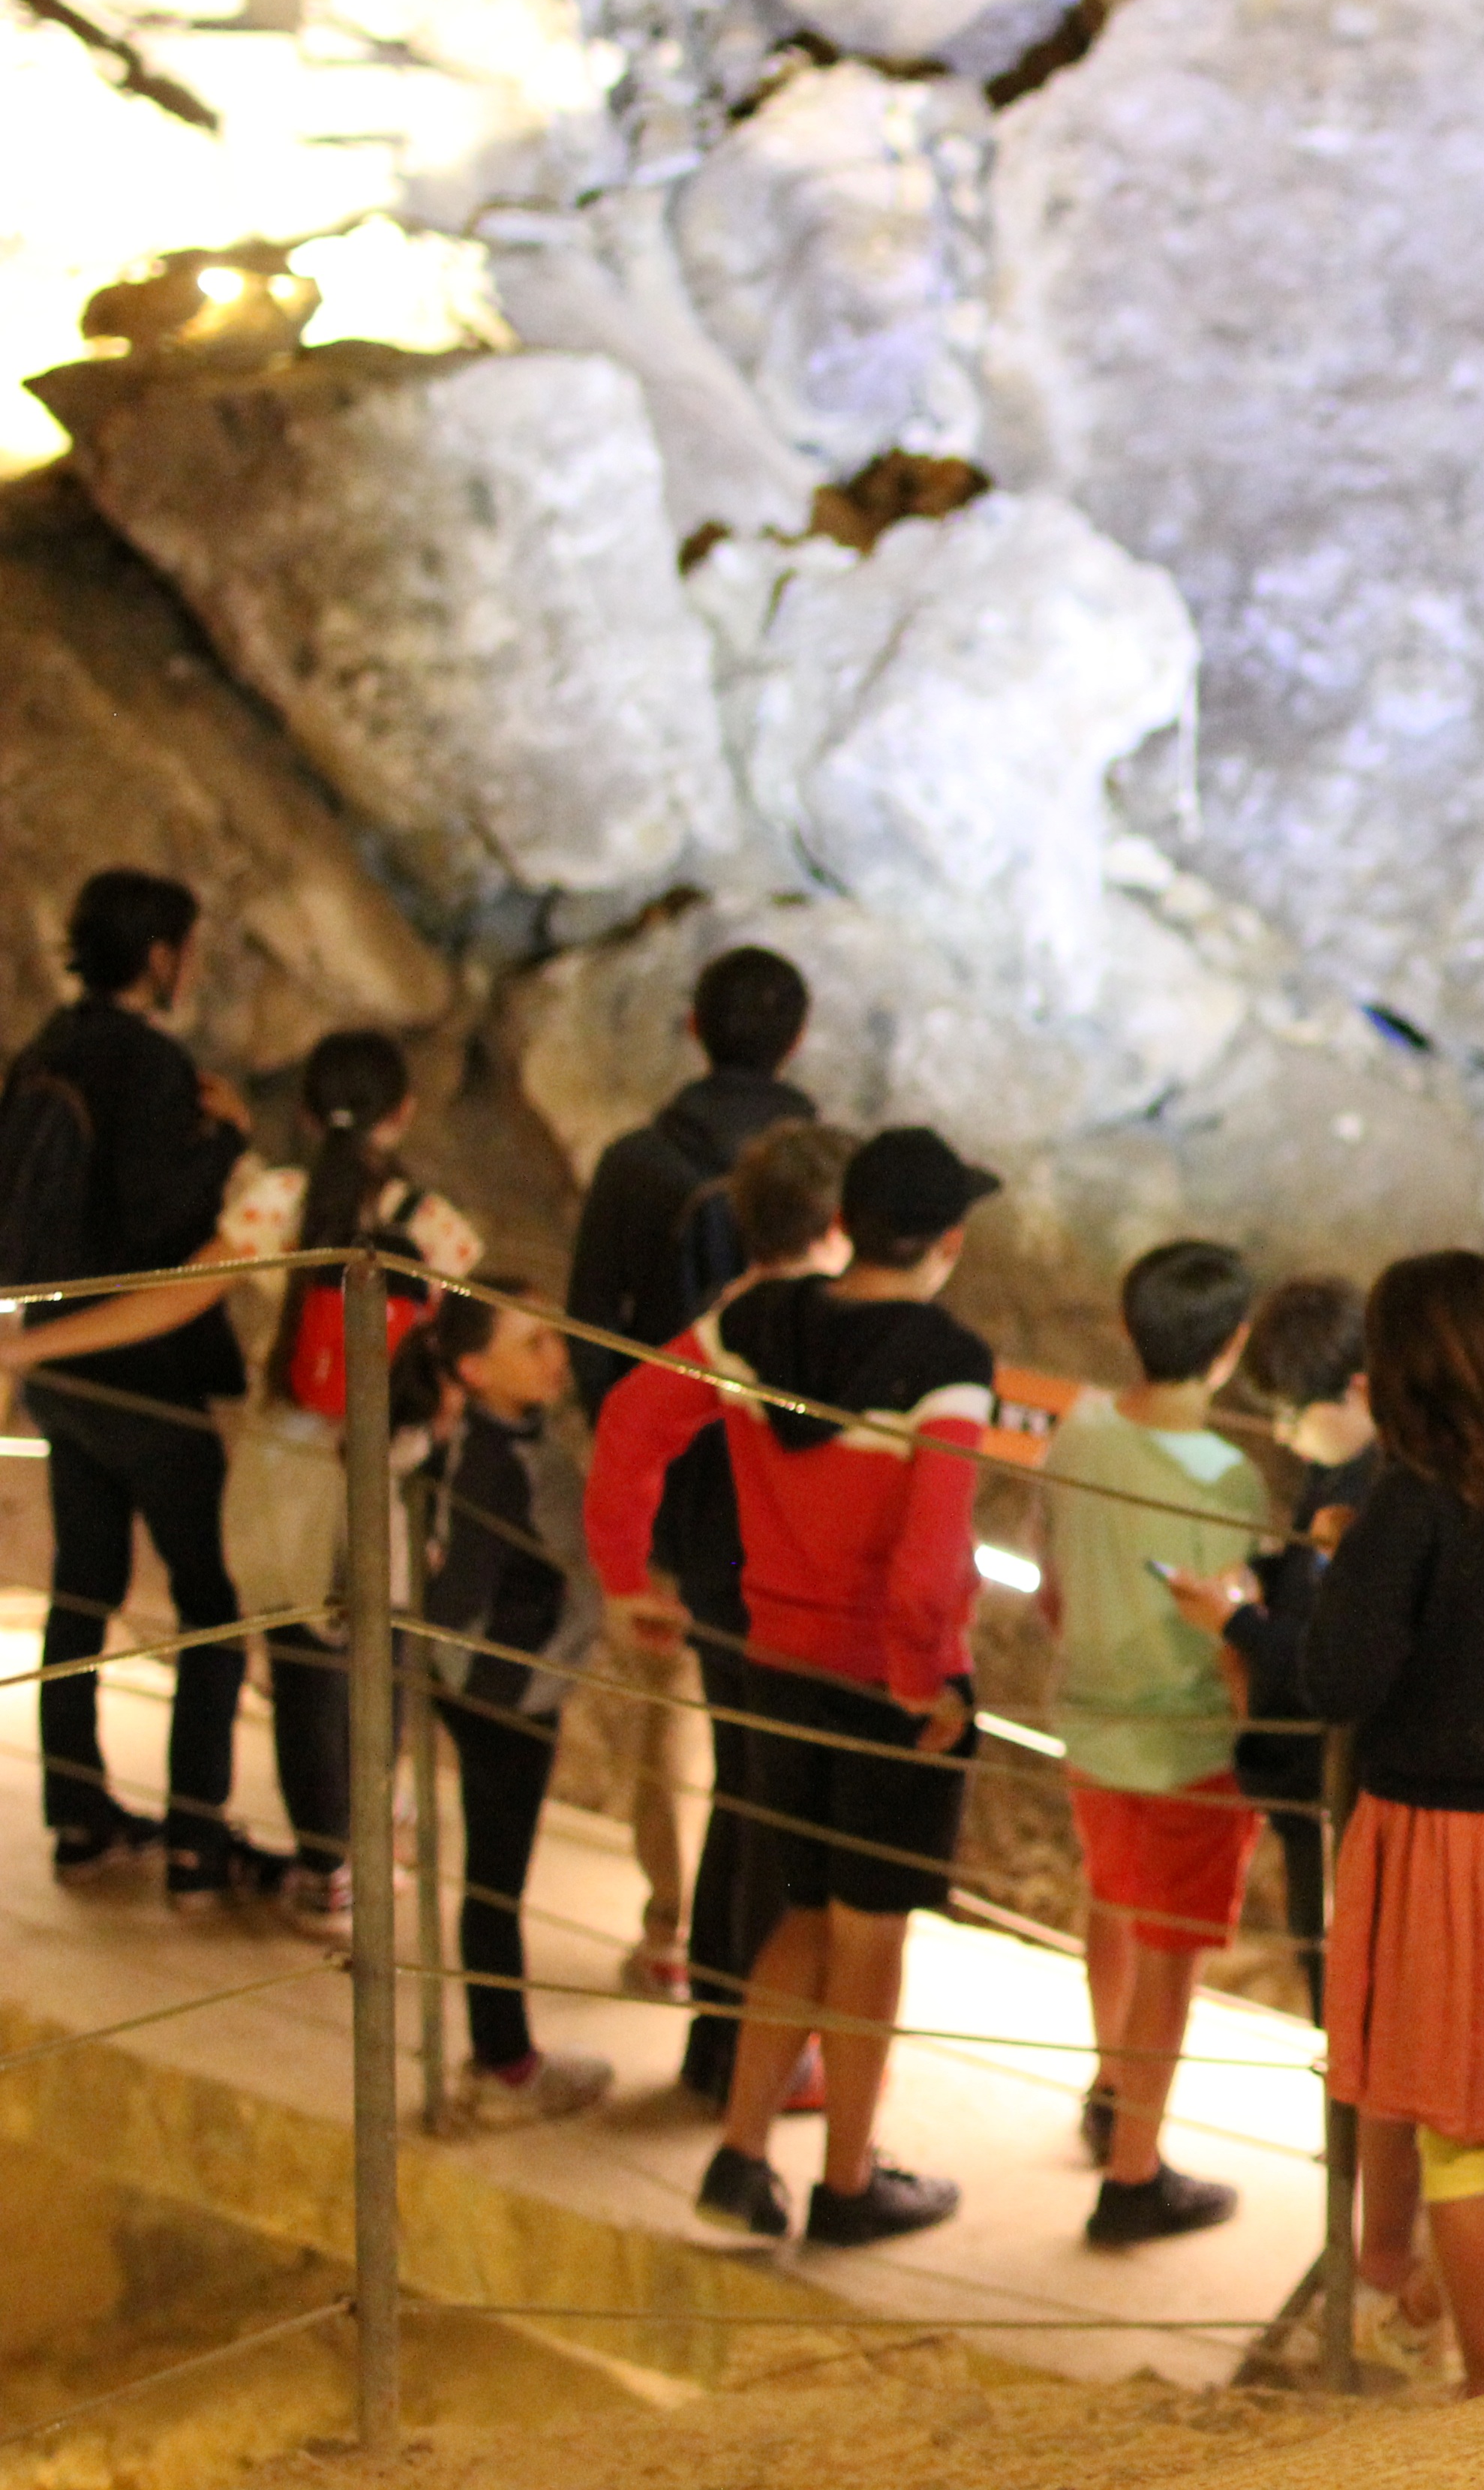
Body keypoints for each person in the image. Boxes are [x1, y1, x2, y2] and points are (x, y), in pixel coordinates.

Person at [1212, 1251, 1484, 2395]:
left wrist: (1355, 1567)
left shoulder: (1415, 1501)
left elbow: (1339, 1678)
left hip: (1446, 1843)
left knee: (1456, 2139)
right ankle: (1404, 2288)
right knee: (1466, 2100)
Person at [590, 1125, 1003, 2248]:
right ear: (949, 1241)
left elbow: (631, 1423)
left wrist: (628, 1577)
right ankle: (850, 2181)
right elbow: (926, 1564)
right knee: (871, 1935)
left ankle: (741, 2152)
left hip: (772, 1663)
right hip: (882, 1686)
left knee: (806, 1909)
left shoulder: (751, 1323)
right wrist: (931, 1686)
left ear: (844, 1224)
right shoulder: (950, 1363)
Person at [3, 1022, 484, 1928]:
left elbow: (173, 1297)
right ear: (406, 1112)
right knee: (378, 1658)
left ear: (305, 1111)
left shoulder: (279, 1201)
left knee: (302, 1664)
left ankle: (322, 1872)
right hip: (386, 1466)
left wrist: (30, 1346)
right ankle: (370, 1849)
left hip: (284, 1464)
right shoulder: (441, 1228)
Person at [1, 871, 269, 1904]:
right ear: (161, 954)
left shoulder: (46, 1045)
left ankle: (76, 1816)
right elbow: (160, 1220)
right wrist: (232, 1142)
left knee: (84, 1586)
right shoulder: (150, 1063)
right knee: (210, 1603)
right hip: (145, 1372)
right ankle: (199, 1841)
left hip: (59, 1362)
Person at [585, 1118, 855, 2107]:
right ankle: (766, 2056)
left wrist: (626, 1575)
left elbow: (629, 1422)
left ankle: (720, 2041)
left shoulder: (730, 1316)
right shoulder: (833, 1326)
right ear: (839, 1223)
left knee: (742, 1804)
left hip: (720, 1589)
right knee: (780, 1829)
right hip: (796, 1611)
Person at [1041, 1239, 1269, 2248]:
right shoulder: (1227, 1478)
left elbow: (1049, 1579)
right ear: (1233, 1350)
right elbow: (1227, 1628)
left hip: (1091, 1721)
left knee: (1110, 1899)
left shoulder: (1078, 1432)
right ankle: (1135, 2174)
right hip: (1186, 1747)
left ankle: (1109, 2086)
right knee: (1169, 1956)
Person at [402, 1280, 617, 2127]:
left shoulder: (493, 1441)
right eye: (534, 1343)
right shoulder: (496, 1465)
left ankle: (504, 2054)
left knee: (495, 1878)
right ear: (474, 1366)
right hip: (506, 1696)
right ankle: (506, 2065)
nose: (557, 1356)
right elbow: (455, 1596)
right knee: (496, 1883)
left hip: (499, 1685)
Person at [1208, 1273, 1373, 1996]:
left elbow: (1335, 1662)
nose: (1282, 1434)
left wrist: (1235, 1621)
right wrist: (1264, 1577)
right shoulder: (1336, 1470)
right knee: (1323, 1966)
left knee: (1346, 1981)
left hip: (1343, 1783)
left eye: (1293, 1414)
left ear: (1360, 1390)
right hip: (1311, 1786)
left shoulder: (1376, 1496)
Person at [563, 945, 816, 1415]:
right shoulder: (831, 1172)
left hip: (663, 1421)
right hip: (780, 1439)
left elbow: (591, 1318)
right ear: (799, 1039)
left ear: (694, 1025)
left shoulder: (634, 1160)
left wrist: (622, 1433)